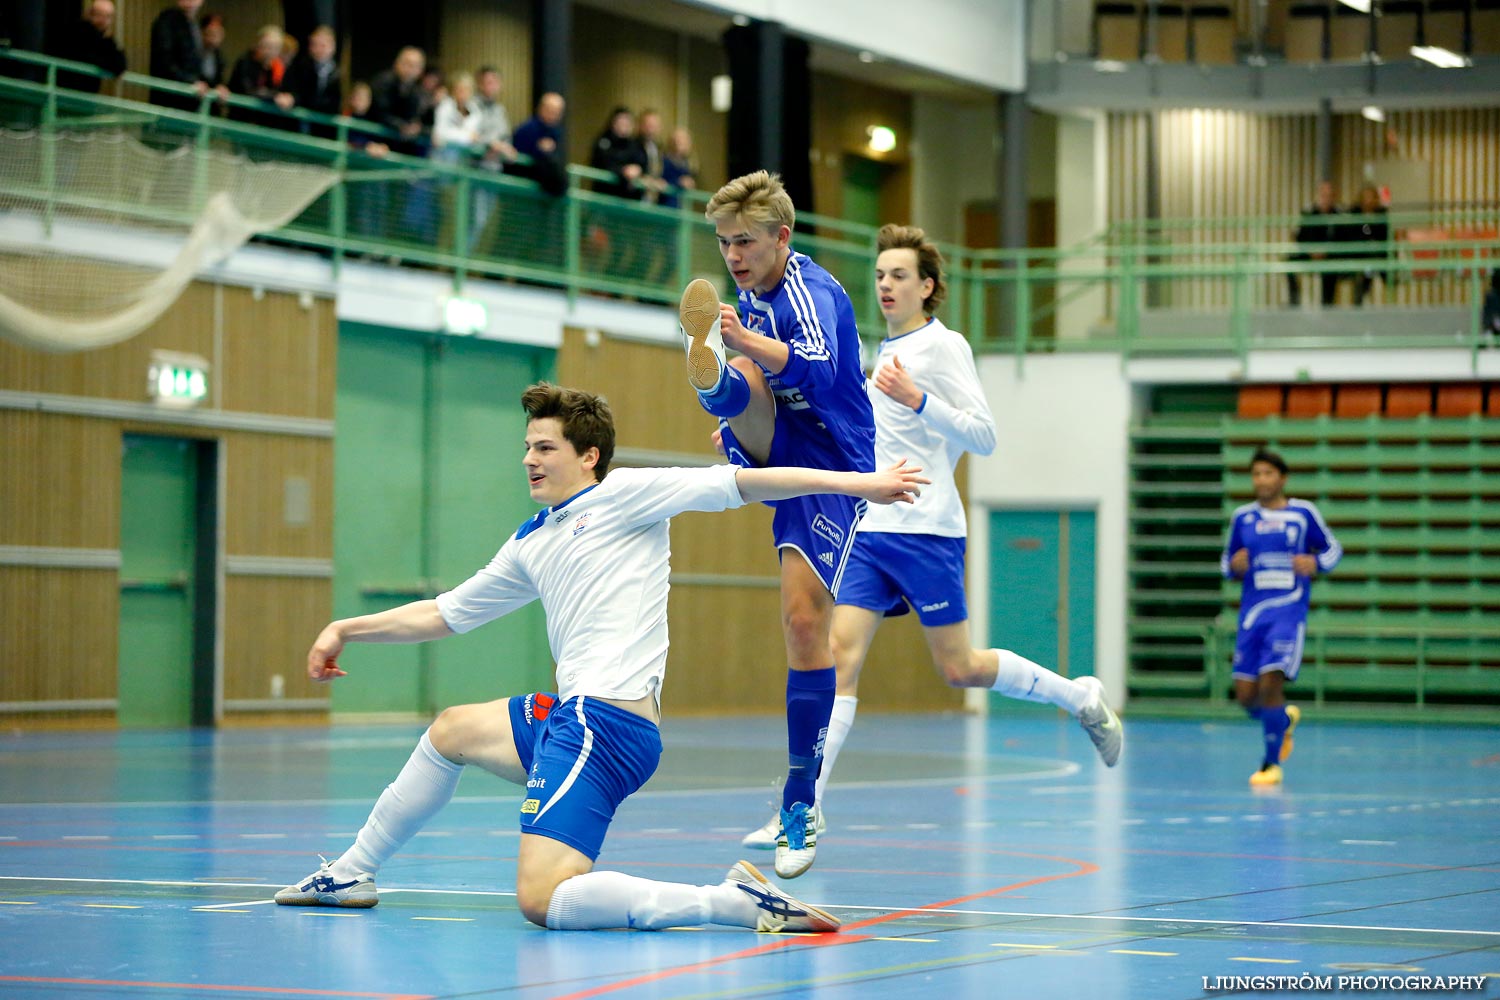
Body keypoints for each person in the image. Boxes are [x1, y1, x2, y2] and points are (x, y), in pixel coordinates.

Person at [274, 382, 929, 932]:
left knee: (542, 898)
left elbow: (750, 481)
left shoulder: (625, 496)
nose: (529, 459)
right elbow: (445, 612)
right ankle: (352, 872)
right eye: (526, 447)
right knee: (452, 730)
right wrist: (346, 629)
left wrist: (860, 484)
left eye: (544, 447)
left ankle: (727, 902)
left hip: (605, 724)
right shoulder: (532, 540)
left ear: (589, 456)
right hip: (574, 716)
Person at [738, 225, 1124, 849]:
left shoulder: (944, 349)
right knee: (837, 660)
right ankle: (802, 807)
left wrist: (919, 400)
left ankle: (1080, 696)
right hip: (870, 522)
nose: (886, 284)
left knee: (960, 667)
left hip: (927, 528)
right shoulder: (866, 353)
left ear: (927, 286)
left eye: (899, 275)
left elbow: (984, 436)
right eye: (881, 274)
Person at [677, 170, 876, 879]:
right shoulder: (751, 294)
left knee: (801, 623)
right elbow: (774, 380)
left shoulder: (810, 294)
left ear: (781, 238)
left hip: (833, 462)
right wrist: (741, 415)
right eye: (724, 243)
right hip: (778, 435)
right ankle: (715, 388)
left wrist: (742, 342)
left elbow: (821, 376)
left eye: (746, 243)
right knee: (741, 379)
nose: (733, 255)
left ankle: (801, 798)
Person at [1221, 447, 1341, 787]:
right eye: (1256, 474)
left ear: (1282, 478)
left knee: (1272, 681)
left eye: (1268, 473)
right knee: (1246, 695)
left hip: (1288, 613)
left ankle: (1270, 765)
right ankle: (1282, 721)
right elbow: (1227, 562)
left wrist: (1316, 564)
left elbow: (1333, 548)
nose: (1261, 480)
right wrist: (1234, 566)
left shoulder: (1303, 514)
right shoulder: (1243, 518)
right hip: (1251, 616)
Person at [226, 25, 294, 130]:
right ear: (259, 45)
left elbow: (285, 92)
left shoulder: (277, 69)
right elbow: (248, 90)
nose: (271, 51)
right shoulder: (245, 62)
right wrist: (274, 97)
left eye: (276, 48)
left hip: (264, 125)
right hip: (241, 121)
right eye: (268, 46)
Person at [1286, 180, 1342, 307]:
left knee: (1332, 267)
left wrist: (1325, 251)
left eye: (1329, 195)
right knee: (1289, 261)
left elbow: (1341, 237)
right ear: (1319, 196)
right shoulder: (1308, 214)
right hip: (1309, 253)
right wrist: (1310, 250)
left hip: (1329, 256)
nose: (1326, 199)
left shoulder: (1339, 215)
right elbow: (1299, 236)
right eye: (1323, 195)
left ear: (1333, 197)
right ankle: (1294, 300)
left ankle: (1327, 304)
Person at [50, 0, 126, 94]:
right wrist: (104, 61)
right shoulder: (75, 33)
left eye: (108, 17)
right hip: (66, 91)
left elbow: (120, 65)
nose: (103, 21)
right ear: (90, 14)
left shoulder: (106, 41)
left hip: (87, 96)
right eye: (99, 15)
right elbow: (83, 57)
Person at [148, 0, 208, 112]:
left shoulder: (192, 26)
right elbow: (165, 63)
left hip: (187, 99)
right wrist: (190, 81)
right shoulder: (168, 21)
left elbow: (195, 64)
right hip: (170, 100)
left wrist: (213, 85)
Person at [284, 24, 341, 137]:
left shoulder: (339, 74)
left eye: (322, 45)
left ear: (332, 47)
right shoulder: (299, 67)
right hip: (299, 124)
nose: (318, 50)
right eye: (314, 45)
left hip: (326, 129)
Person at [513, 91, 567, 196]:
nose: (553, 116)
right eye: (551, 111)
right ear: (541, 108)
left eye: (557, 112)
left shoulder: (556, 133)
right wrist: (539, 150)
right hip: (523, 190)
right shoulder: (528, 129)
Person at [1344, 184, 1389, 307]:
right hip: (1359, 254)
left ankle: (1365, 296)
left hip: (1378, 254)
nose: (1368, 201)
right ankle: (1360, 299)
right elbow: (1354, 235)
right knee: (1366, 269)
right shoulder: (1355, 213)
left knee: (1373, 267)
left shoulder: (1381, 213)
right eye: (1366, 197)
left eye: (1371, 197)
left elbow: (1384, 235)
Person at [660, 126, 697, 210]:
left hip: (680, 207)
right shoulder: (663, 161)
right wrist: (679, 183)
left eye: (684, 141)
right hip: (664, 206)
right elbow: (661, 183)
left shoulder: (688, 163)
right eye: (678, 140)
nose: (680, 143)